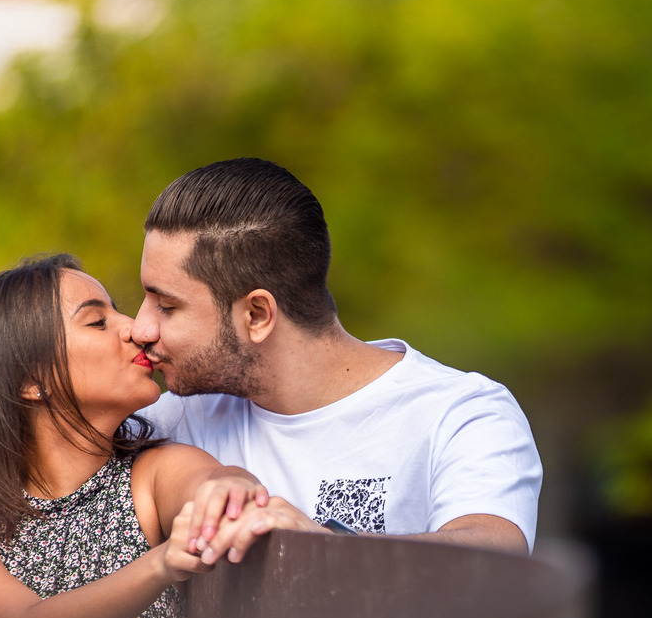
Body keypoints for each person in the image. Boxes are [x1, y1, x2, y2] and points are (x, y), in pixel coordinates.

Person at [131, 158, 542, 564]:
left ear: (257, 315)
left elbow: (494, 553)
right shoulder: (175, 419)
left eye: (167, 306)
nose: (141, 328)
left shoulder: (460, 412)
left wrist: (328, 548)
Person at [0, 254, 274, 618]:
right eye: (97, 322)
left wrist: (231, 485)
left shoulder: (151, 477)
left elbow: (208, 483)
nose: (135, 329)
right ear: (32, 380)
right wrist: (160, 564)